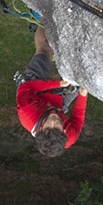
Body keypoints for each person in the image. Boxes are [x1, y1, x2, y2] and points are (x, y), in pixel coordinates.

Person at [16, 25, 88, 156]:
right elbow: (77, 119)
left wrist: (58, 83)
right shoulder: (69, 137)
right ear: (64, 132)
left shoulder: (27, 111)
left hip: (33, 91)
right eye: (57, 128)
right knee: (81, 79)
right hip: (56, 106)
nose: (53, 122)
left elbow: (27, 87)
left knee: (44, 50)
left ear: (40, 130)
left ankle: (44, 15)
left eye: (48, 127)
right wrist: (82, 96)